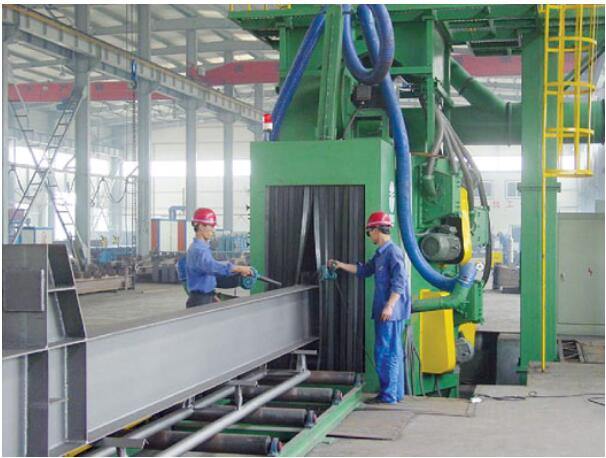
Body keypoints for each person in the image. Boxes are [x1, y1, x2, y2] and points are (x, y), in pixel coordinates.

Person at [329, 211, 410, 404]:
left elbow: (399, 282)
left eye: (369, 232)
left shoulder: (393, 252)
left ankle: (388, 396)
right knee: (391, 351)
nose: (369, 236)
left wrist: (389, 306)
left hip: (390, 313)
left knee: (386, 353)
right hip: (386, 311)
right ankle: (395, 394)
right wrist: (340, 265)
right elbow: (364, 270)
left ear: (376, 230)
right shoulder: (381, 254)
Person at [185, 207, 253, 308]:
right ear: (201, 226)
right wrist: (239, 268)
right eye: (211, 226)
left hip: (205, 297)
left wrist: (212, 296)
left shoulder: (201, 247)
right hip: (200, 301)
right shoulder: (199, 250)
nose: (213, 230)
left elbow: (208, 275)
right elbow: (212, 267)